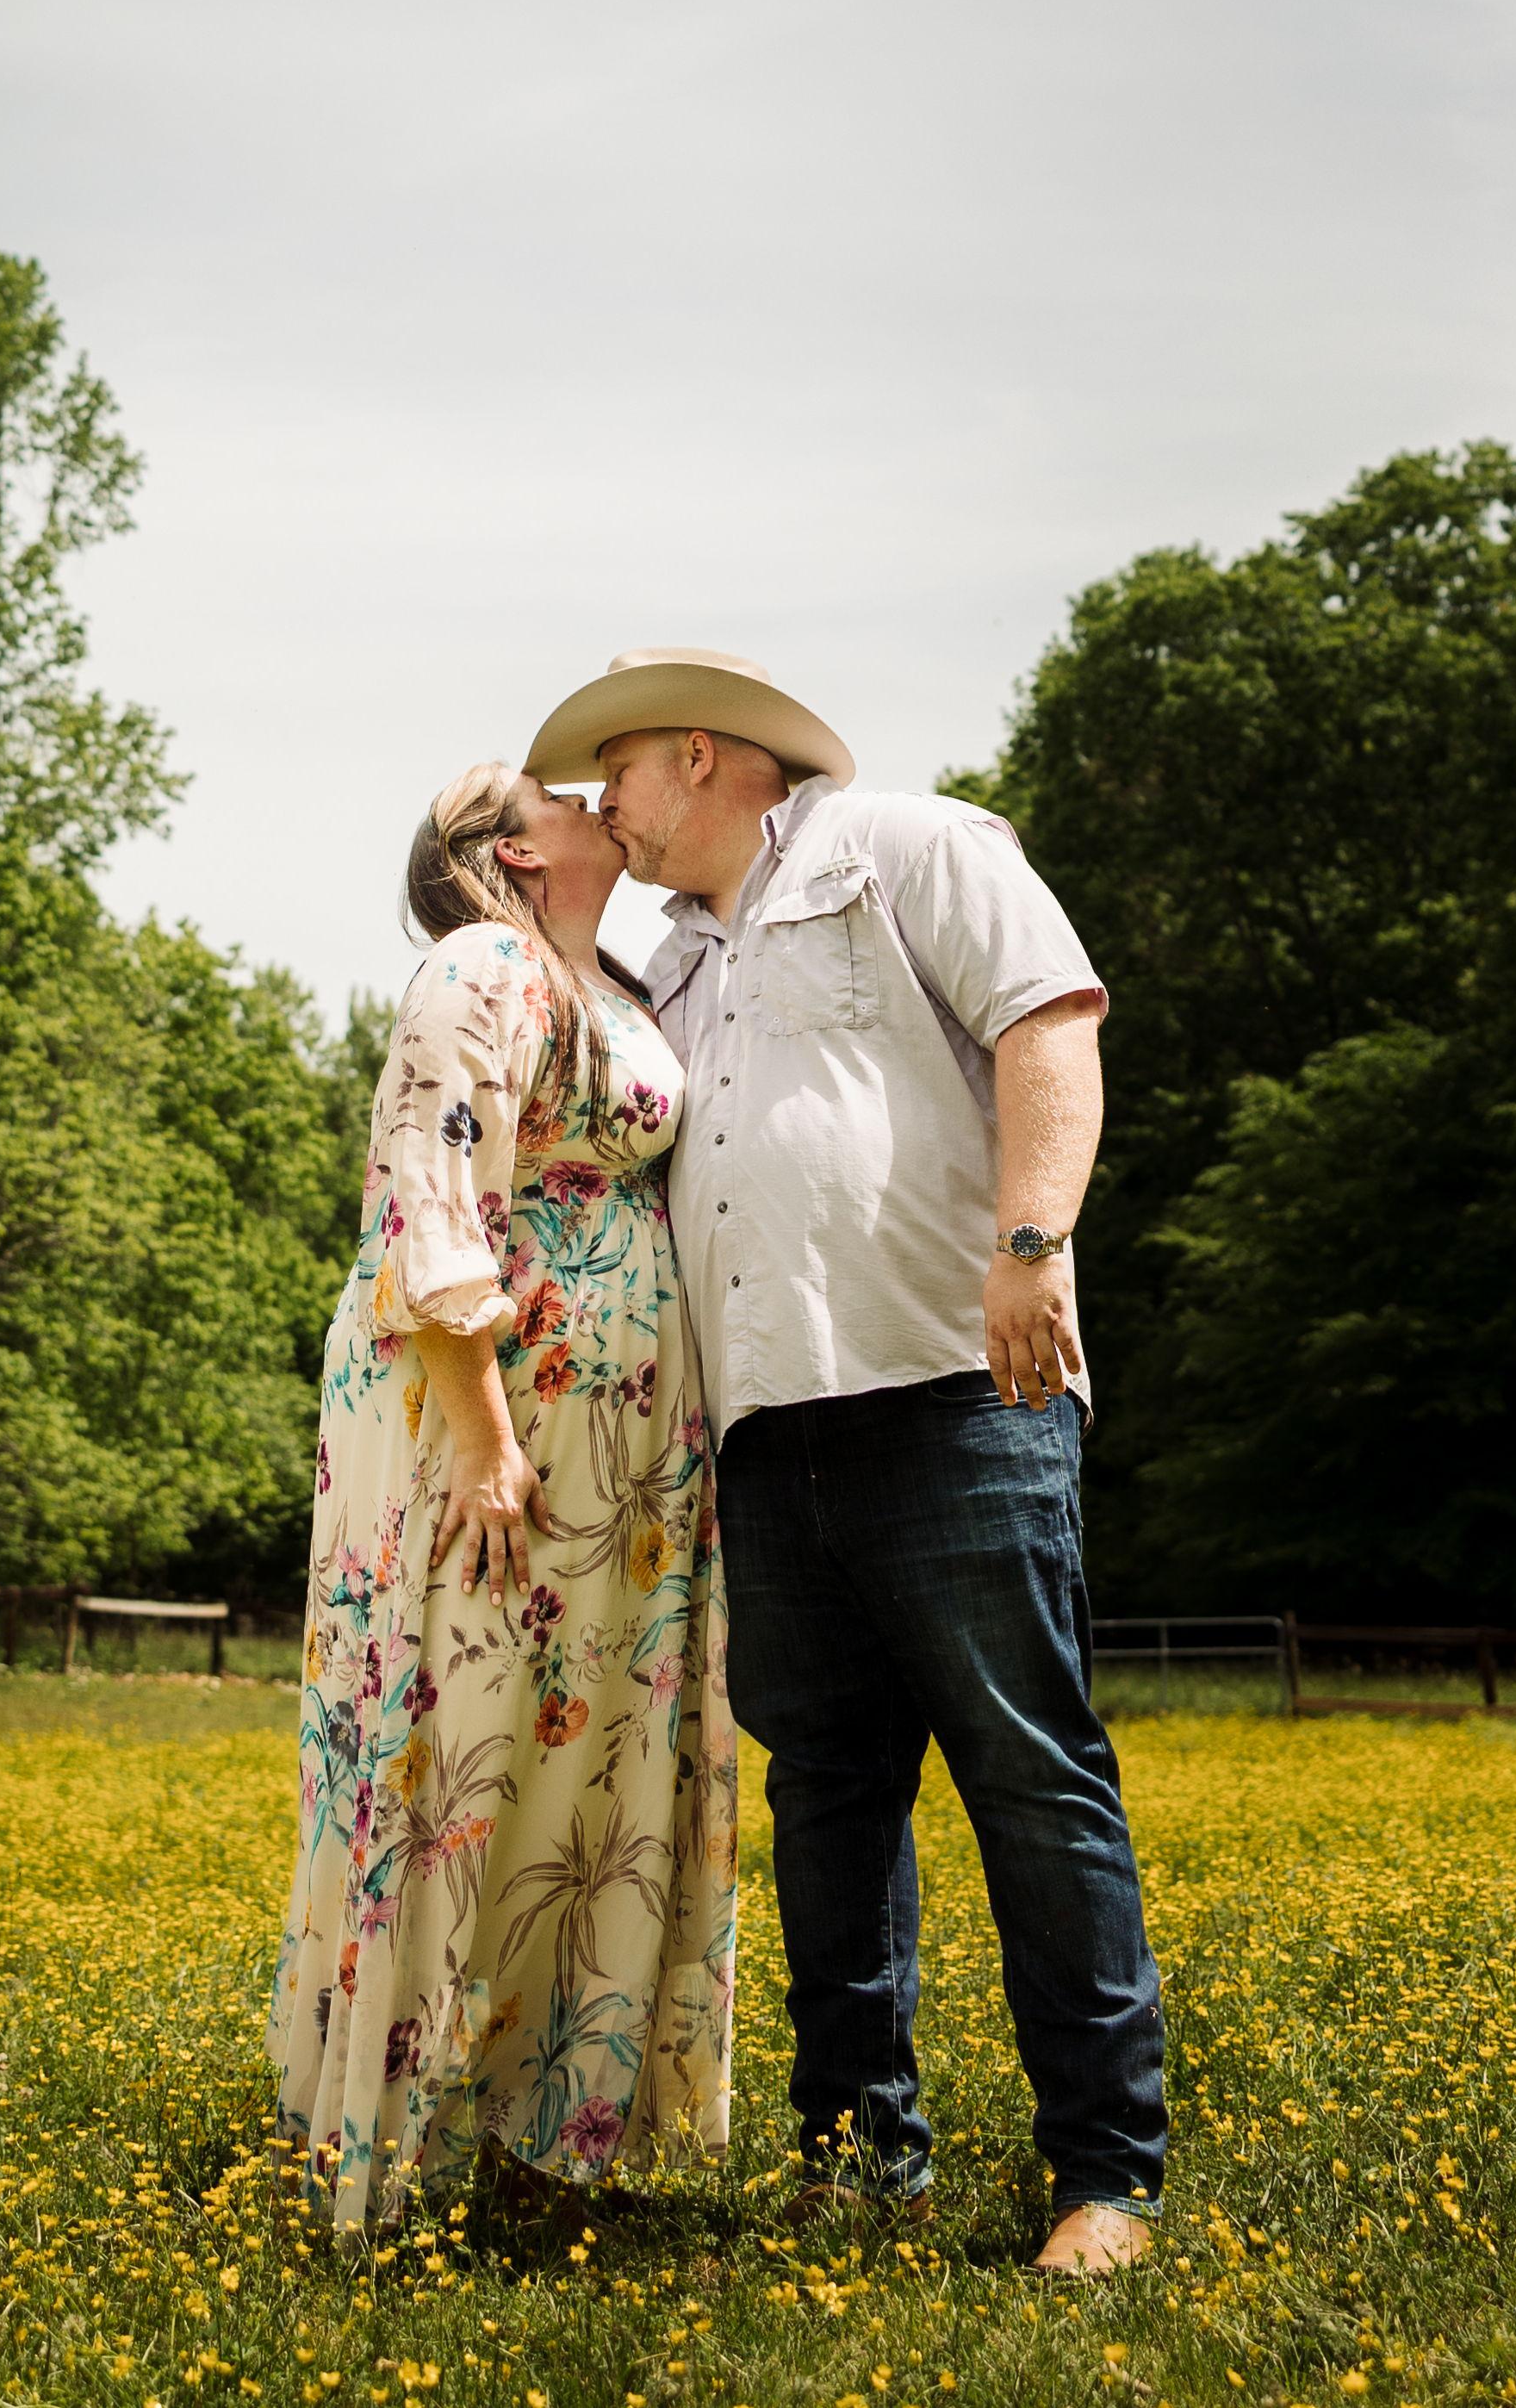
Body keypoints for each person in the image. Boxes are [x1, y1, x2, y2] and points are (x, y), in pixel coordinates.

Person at [522, 646, 1169, 2280]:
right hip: (767, 1436)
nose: (606, 806)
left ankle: (1107, 2176)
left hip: (955, 1388)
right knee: (826, 1804)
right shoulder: (665, 968)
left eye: (621, 775)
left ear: (701, 754)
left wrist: (1035, 1236)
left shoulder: (913, 847)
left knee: (1033, 1784)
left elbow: (1053, 1020)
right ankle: (861, 2155)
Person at [269, 762, 736, 2233]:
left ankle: (555, 2129)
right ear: (512, 849)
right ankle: (404, 2132)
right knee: (458, 1742)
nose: (595, 788)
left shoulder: (621, 988)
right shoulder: (479, 967)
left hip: (625, 1460)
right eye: (554, 787)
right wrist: (479, 1432)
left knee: (585, 1758)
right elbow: (430, 1194)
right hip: (498, 1429)